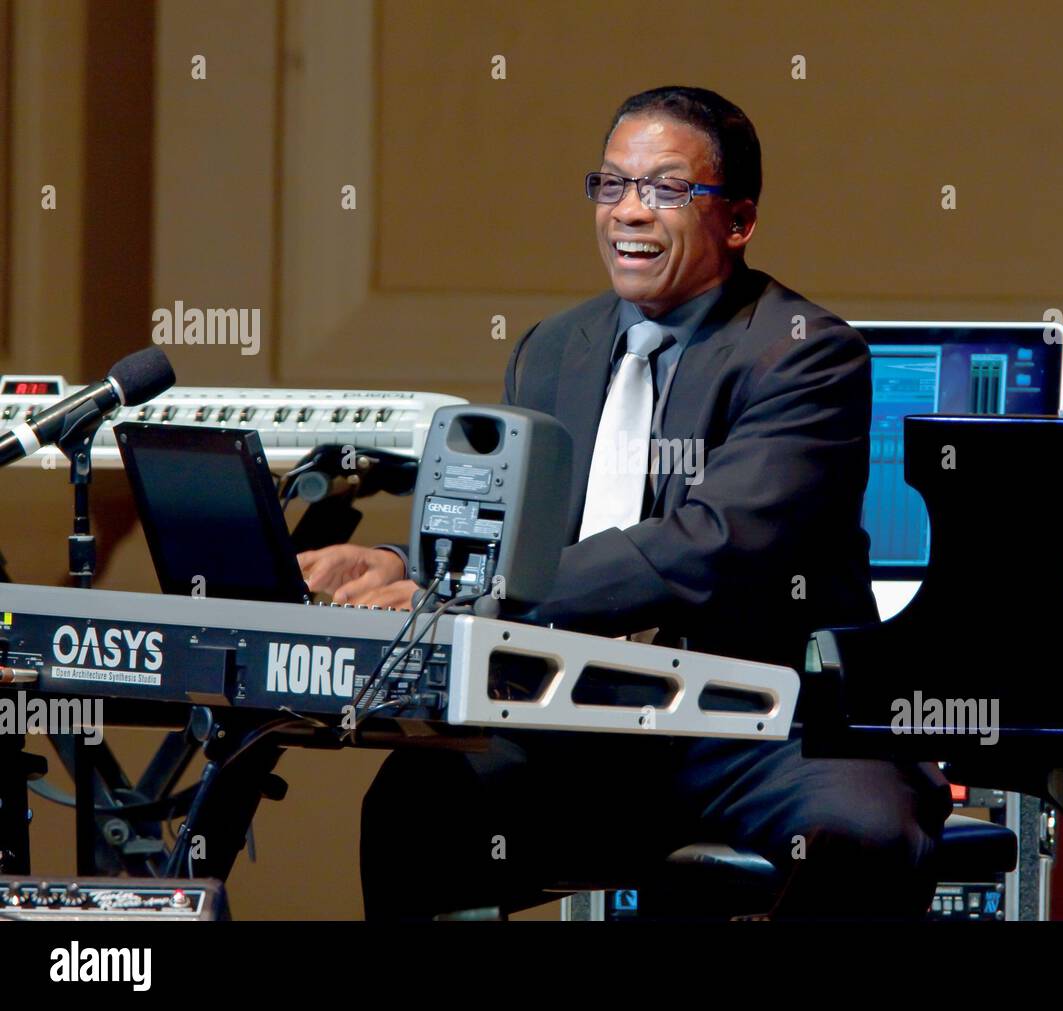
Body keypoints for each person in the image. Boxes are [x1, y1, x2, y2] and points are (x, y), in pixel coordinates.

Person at [300, 86, 952, 920]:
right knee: (418, 799)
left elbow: (709, 546)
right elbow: (522, 531)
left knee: (863, 828)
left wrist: (471, 596)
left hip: (761, 728)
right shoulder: (552, 350)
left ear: (740, 220)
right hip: (583, 725)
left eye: (666, 190)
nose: (628, 213)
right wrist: (402, 563)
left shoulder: (805, 356)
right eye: (611, 186)